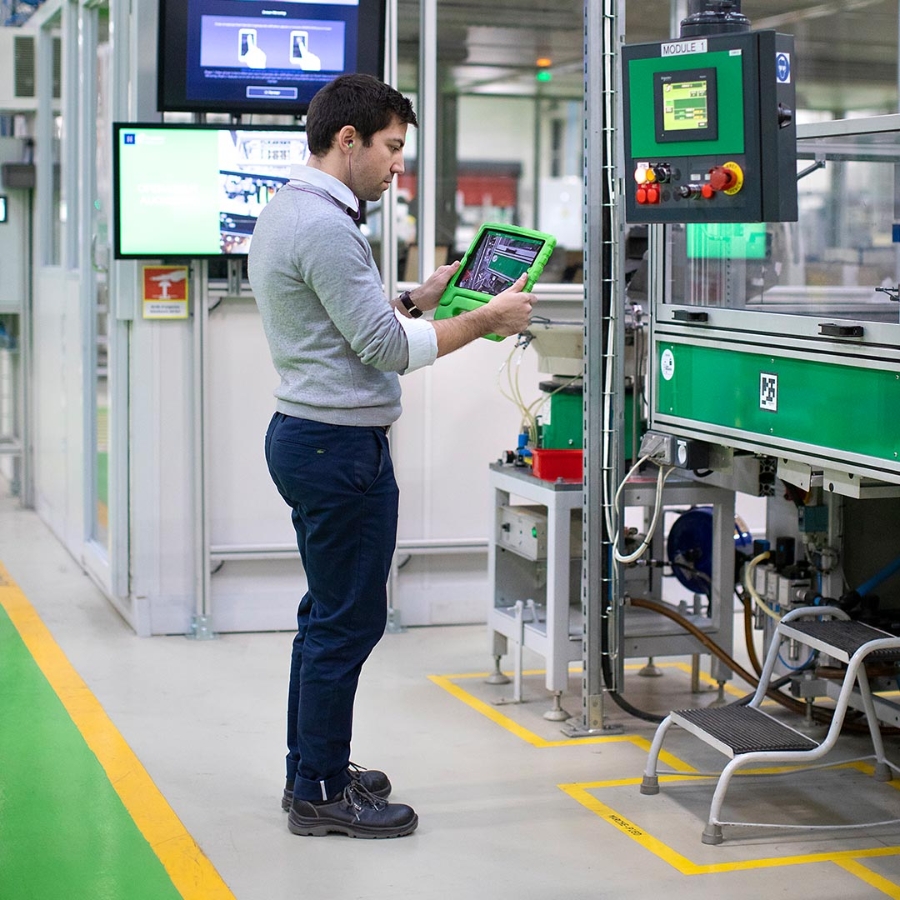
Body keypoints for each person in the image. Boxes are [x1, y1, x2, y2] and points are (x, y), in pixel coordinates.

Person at [248, 73, 535, 839]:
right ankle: (317, 793)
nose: (396, 167)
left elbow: (359, 320)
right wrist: (488, 316)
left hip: (312, 438)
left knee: (327, 620)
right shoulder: (325, 226)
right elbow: (381, 347)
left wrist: (426, 295)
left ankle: (311, 767)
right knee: (346, 624)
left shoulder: (297, 210)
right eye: (392, 149)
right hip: (335, 447)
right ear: (349, 141)